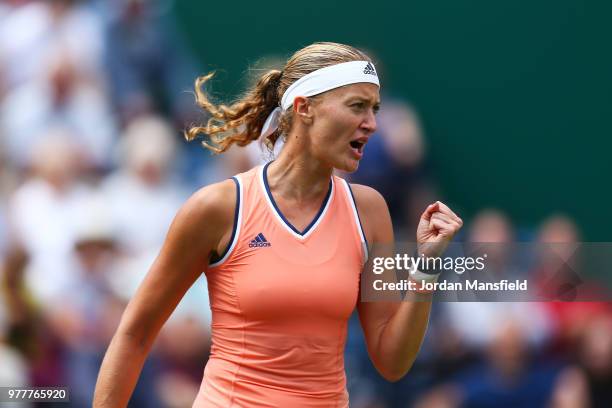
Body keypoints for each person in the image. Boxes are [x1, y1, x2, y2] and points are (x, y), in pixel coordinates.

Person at [93, 42, 463, 407]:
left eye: (375, 109)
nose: (372, 124)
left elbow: (392, 361)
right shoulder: (218, 208)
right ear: (305, 109)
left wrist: (426, 266)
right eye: (357, 107)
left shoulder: (369, 211)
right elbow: (135, 334)